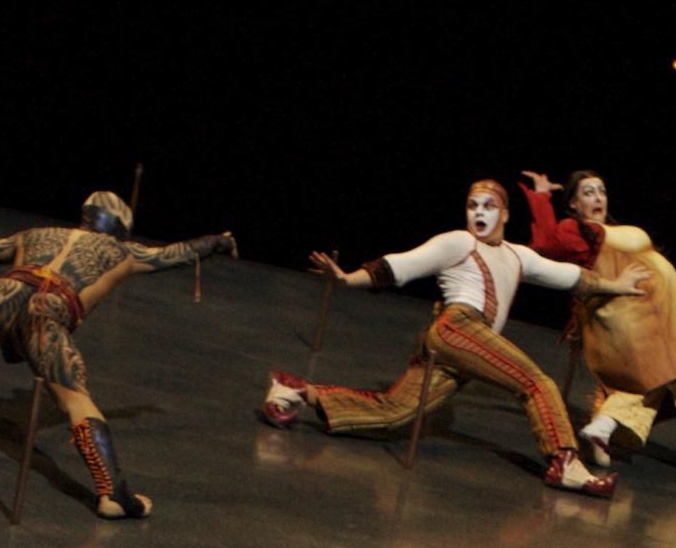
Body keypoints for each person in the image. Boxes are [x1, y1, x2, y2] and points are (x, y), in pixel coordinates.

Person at [0, 192, 236, 521]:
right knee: (76, 399)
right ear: (120, 226)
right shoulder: (124, 252)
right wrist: (217, 242)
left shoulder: (35, 234)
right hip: (49, 311)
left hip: (2, 296)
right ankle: (113, 494)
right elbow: (177, 254)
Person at [258, 181, 640, 495]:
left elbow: (571, 277)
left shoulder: (518, 256)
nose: (479, 213)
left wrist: (617, 285)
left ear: (506, 214)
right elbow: (400, 265)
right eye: (472, 206)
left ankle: (293, 390)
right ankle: (565, 462)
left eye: (489, 206)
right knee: (536, 382)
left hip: (468, 348)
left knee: (395, 412)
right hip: (458, 328)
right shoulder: (459, 242)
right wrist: (346, 279)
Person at [518, 169, 676, 482]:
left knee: (662, 376)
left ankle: (605, 427)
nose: (598, 197)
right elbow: (544, 247)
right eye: (588, 192)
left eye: (602, 191)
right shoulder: (574, 230)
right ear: (573, 204)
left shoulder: (611, 232)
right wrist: (541, 197)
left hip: (660, 315)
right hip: (635, 319)